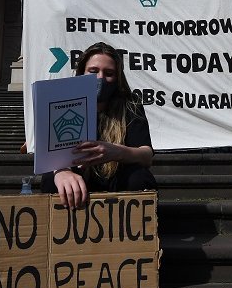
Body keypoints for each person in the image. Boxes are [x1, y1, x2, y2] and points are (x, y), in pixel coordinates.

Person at [41, 41, 156, 208]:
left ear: (118, 78)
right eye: (93, 71)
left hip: (117, 180)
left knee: (139, 177)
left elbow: (146, 156)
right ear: (81, 73)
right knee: (51, 179)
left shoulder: (130, 105)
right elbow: (50, 155)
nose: (100, 78)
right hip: (78, 181)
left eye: (109, 73)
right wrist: (61, 171)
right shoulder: (60, 103)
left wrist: (117, 151)